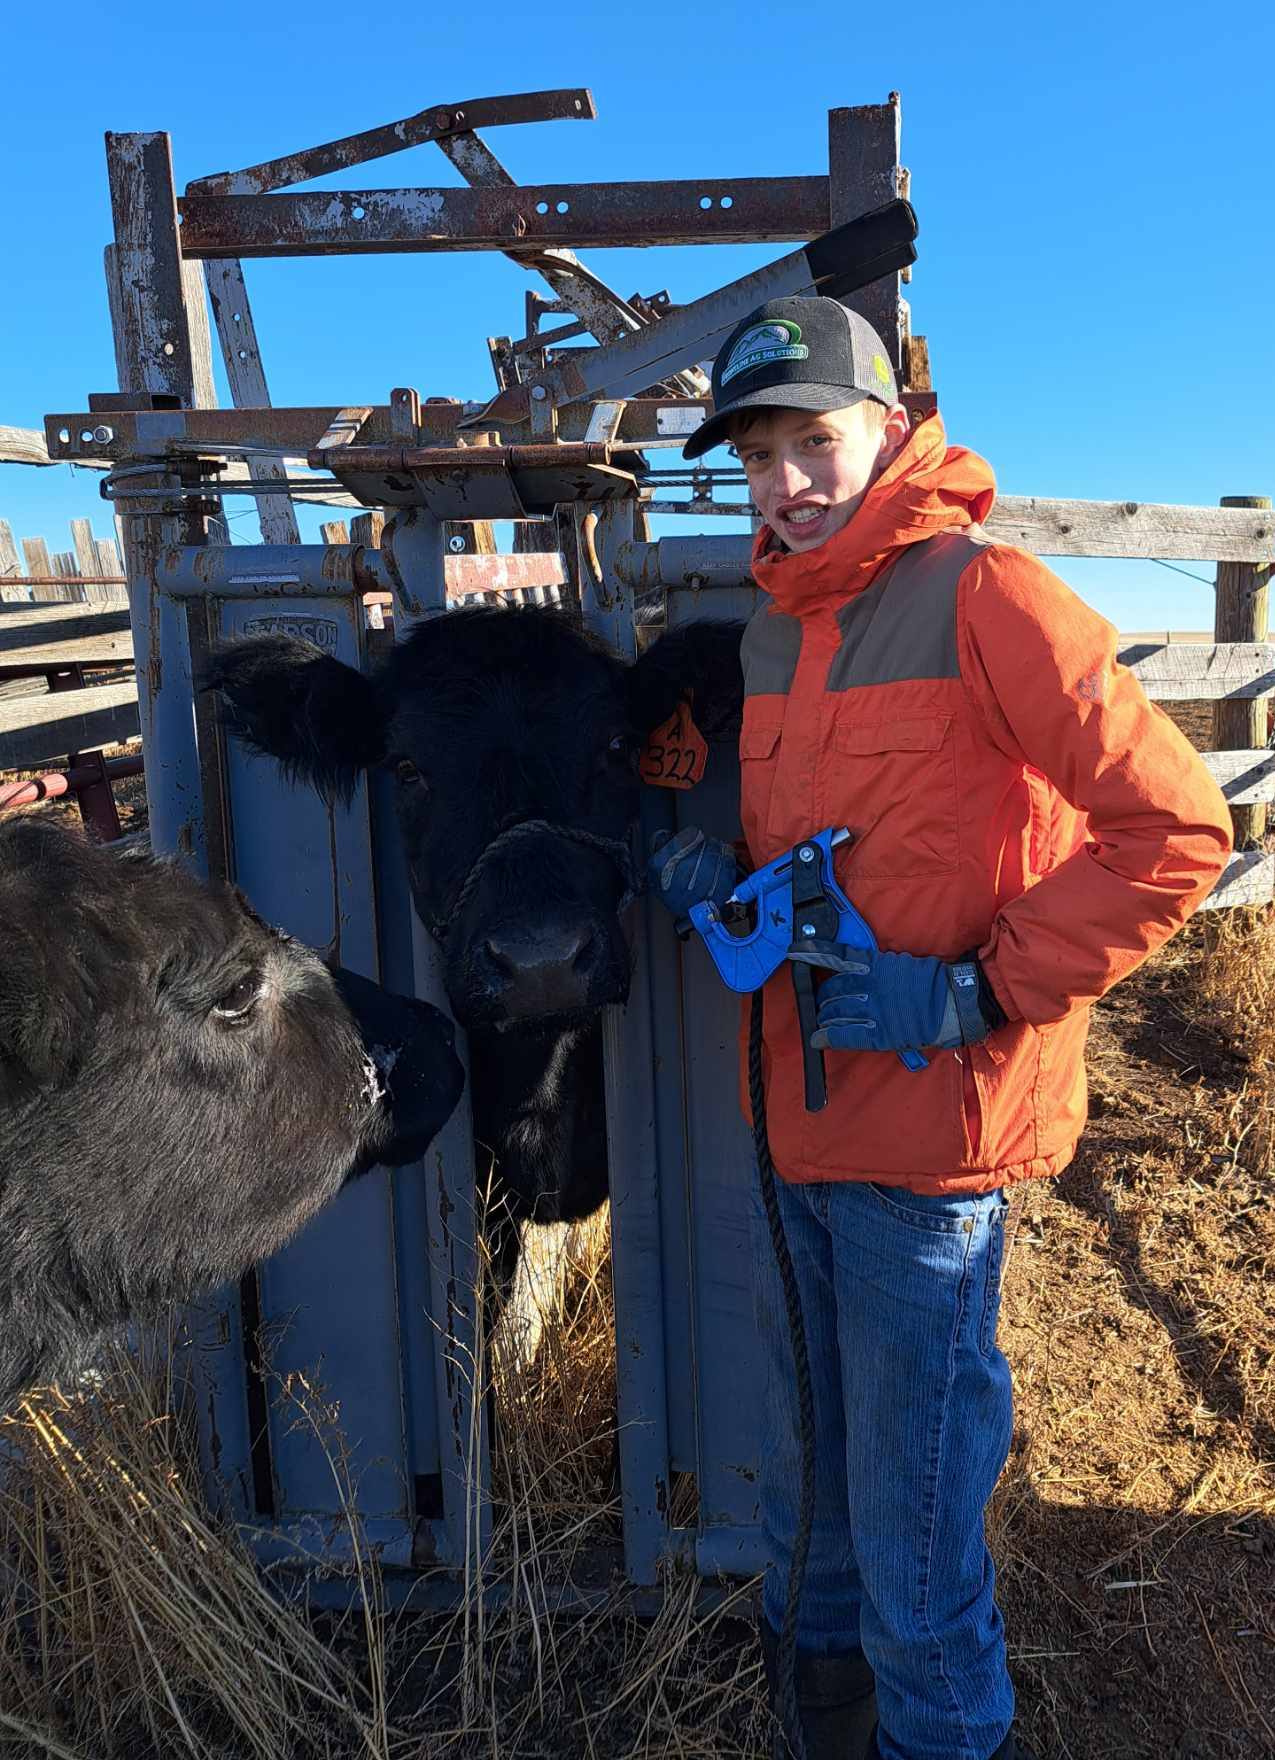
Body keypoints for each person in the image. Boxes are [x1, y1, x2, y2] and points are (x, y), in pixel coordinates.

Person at [647, 296, 1233, 1760]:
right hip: (796, 1117)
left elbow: (1176, 827)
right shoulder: (775, 635)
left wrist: (979, 988)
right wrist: (726, 874)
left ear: (892, 427)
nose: (785, 480)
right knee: (815, 1503)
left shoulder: (987, 595)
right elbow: (837, 852)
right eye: (757, 455)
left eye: (813, 440)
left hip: (935, 1148)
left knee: (913, 1544)